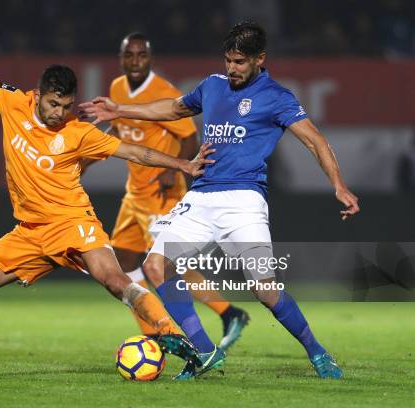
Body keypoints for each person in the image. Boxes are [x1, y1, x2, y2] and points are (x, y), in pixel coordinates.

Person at [0, 16, 216, 379]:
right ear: (40, 94)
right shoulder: (12, 103)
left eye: (66, 106)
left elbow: (136, 152)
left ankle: (175, 337)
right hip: (30, 232)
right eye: (53, 105)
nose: (59, 113)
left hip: (73, 223)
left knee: (115, 280)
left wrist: (183, 166)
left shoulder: (79, 132)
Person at [80, 21, 360, 379]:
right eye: (228, 60)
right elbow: (173, 109)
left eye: (240, 62)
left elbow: (315, 141)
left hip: (243, 200)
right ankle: (206, 351)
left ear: (260, 59)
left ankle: (317, 353)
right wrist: (120, 110)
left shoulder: (277, 97)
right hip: (200, 196)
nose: (232, 68)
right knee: (155, 266)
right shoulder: (212, 86)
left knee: (265, 290)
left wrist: (338, 184)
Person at [88, 32, 250, 351]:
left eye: (141, 55)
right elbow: (121, 129)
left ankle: (228, 312)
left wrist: (168, 169)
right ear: (121, 59)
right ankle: (151, 330)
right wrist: (88, 155)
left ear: (150, 58)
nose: (135, 61)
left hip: (162, 194)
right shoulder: (118, 88)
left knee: (166, 264)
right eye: (129, 55)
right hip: (134, 192)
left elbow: (189, 136)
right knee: (124, 260)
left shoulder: (164, 91)